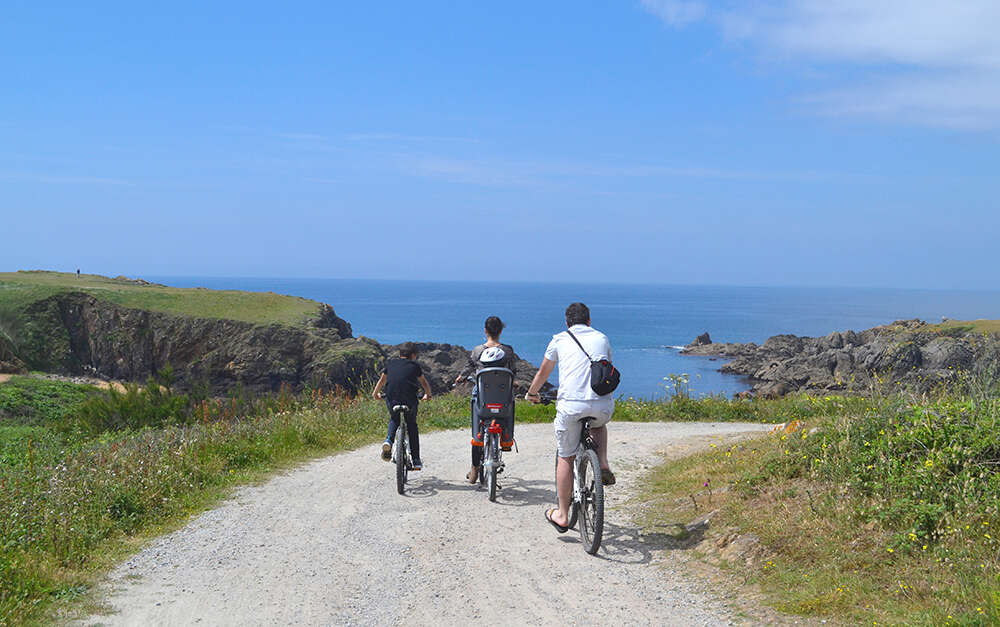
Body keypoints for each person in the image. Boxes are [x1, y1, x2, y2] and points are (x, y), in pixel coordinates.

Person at [526, 302, 616, 533]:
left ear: (567, 323)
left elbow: (543, 372)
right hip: (601, 405)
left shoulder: (559, 339)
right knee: (599, 424)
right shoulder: (602, 338)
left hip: (571, 406)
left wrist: (532, 393)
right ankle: (603, 462)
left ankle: (563, 515)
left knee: (565, 457)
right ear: (589, 320)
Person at [453, 315, 517, 483]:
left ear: (485, 331)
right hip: (502, 399)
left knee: (477, 432)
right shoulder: (508, 351)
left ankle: (474, 470)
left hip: (483, 399)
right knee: (511, 402)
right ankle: (507, 438)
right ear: (501, 330)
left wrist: (460, 378)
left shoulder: (477, 351)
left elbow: (467, 369)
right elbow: (513, 371)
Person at [372, 342, 432, 470]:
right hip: (410, 400)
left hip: (392, 398)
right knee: (411, 425)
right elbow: (424, 383)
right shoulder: (415, 366)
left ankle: (388, 440)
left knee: (394, 418)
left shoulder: (391, 364)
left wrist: (375, 394)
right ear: (413, 355)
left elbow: (382, 381)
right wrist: (428, 395)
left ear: (400, 354)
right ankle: (416, 459)